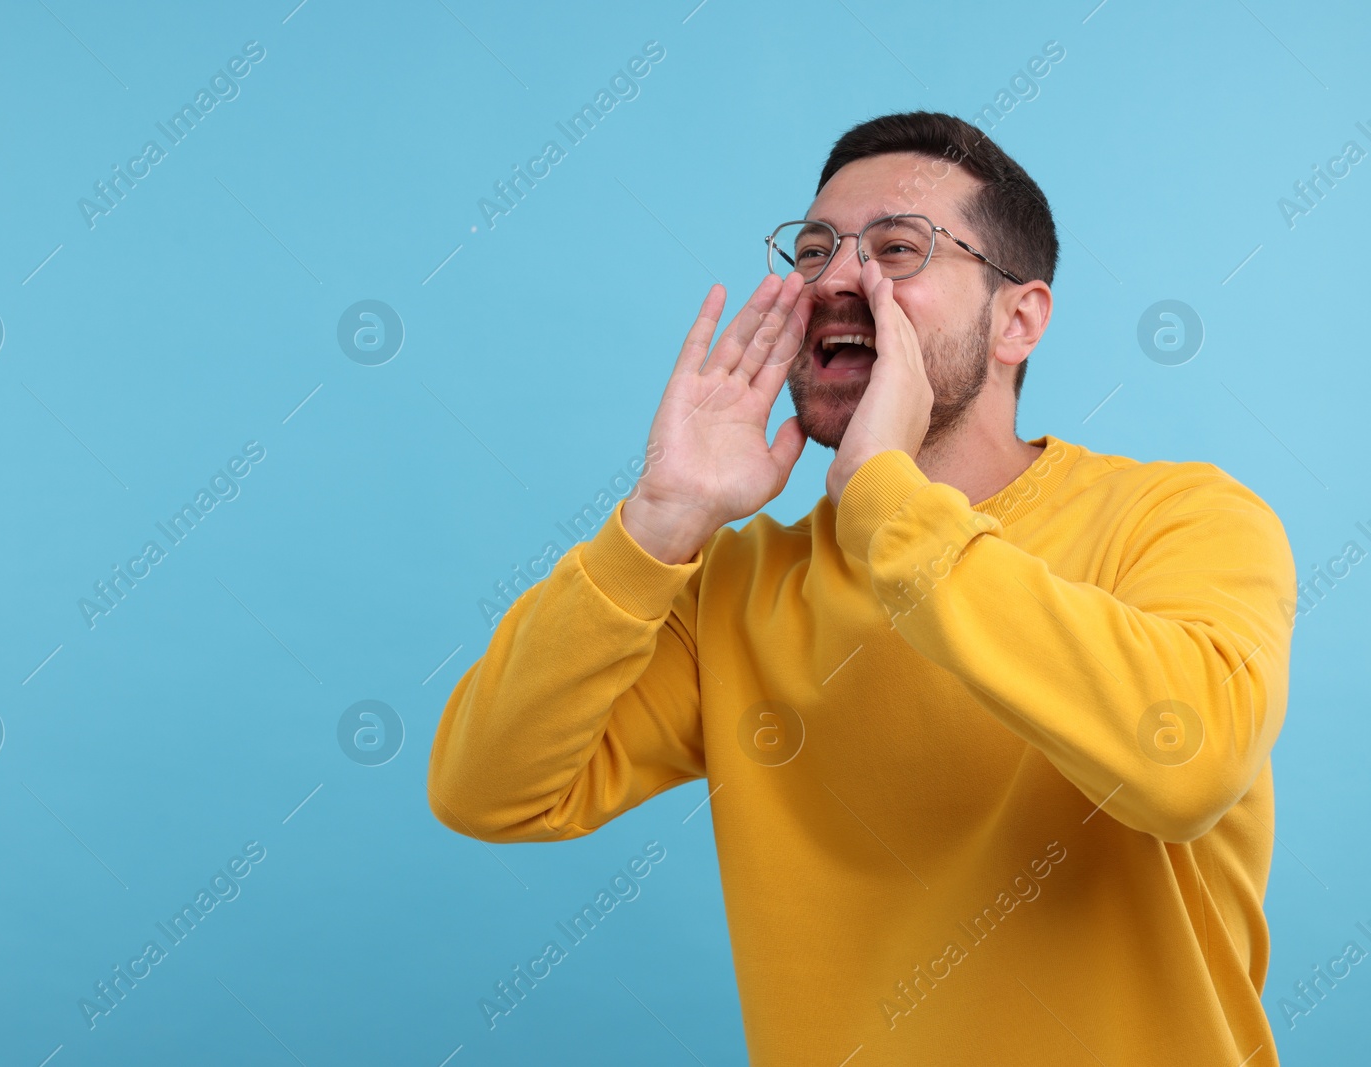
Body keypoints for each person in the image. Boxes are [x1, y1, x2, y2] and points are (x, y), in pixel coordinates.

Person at [427, 110, 1295, 1065]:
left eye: (898, 247)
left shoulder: (1179, 518)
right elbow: (489, 789)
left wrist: (887, 500)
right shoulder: (736, 588)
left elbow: (1185, 763)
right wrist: (659, 522)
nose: (839, 277)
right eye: (813, 251)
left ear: (1019, 319)